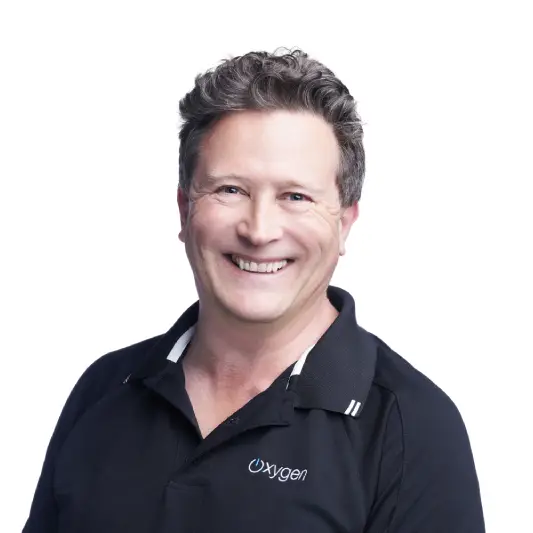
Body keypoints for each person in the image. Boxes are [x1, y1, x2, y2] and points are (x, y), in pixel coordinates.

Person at [23, 48, 485, 533]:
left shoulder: (411, 427)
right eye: (231, 190)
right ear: (184, 209)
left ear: (345, 223)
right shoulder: (106, 388)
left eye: (296, 196)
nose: (259, 230)